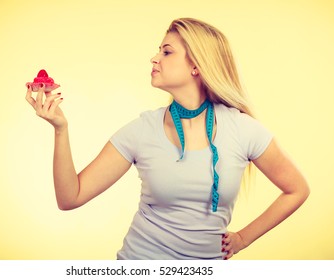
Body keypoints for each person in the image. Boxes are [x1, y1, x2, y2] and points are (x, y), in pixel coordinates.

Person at [25, 18, 310, 260]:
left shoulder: (243, 130)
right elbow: (70, 197)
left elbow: (297, 189)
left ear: (196, 66)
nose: (154, 58)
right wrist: (60, 129)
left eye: (167, 52)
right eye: (158, 51)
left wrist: (243, 239)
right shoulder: (142, 130)